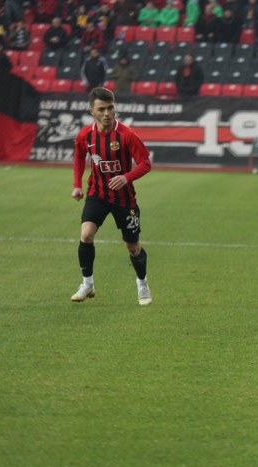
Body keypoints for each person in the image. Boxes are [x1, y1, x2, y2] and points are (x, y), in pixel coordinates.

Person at [70, 87, 153, 306]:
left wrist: (127, 177)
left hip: (124, 199)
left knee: (132, 247)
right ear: (92, 111)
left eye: (111, 108)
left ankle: (142, 282)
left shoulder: (126, 135)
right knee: (86, 234)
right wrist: (77, 185)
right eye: (102, 109)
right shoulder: (86, 135)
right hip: (97, 193)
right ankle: (87, 284)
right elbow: (79, 156)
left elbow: (146, 163)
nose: (107, 113)